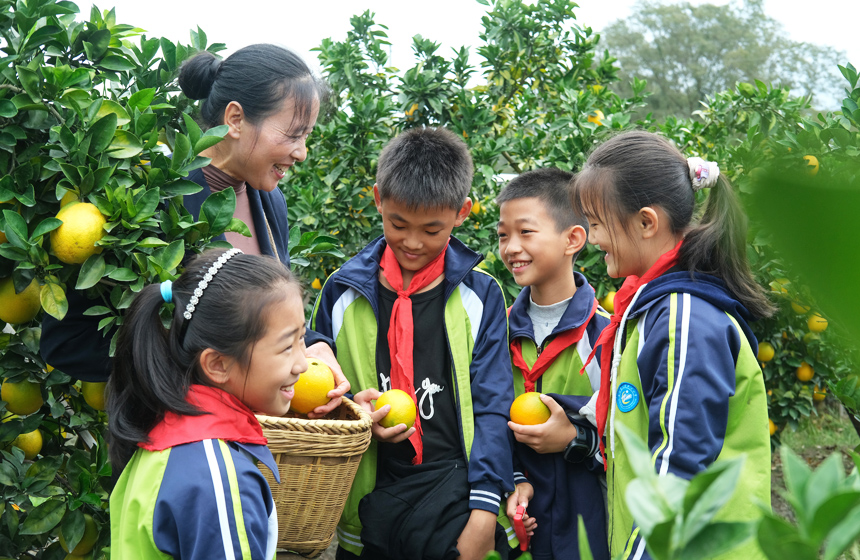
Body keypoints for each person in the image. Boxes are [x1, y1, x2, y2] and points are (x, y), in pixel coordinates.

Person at [40, 44, 347, 416]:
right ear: (235, 119)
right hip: (179, 441)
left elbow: (258, 320)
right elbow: (66, 341)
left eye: (306, 136)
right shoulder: (152, 197)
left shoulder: (270, 204)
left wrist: (309, 346)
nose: (302, 152)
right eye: (293, 134)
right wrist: (195, 378)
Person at [310, 127, 516, 560]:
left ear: (462, 212)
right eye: (398, 224)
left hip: (454, 498)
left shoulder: (480, 297)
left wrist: (484, 512)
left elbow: (493, 403)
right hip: (367, 501)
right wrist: (353, 412)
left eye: (432, 229)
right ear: (377, 199)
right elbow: (313, 386)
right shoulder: (341, 292)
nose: (413, 242)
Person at [571, 131, 773, 560]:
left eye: (596, 222)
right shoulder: (652, 308)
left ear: (647, 222)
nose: (592, 238)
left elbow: (680, 465)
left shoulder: (684, 317)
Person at [108, 249, 308, 558]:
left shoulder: (165, 433)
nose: (303, 364)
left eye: (302, 339)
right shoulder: (219, 484)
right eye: (286, 347)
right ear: (217, 364)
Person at [496, 168, 610, 560]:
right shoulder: (497, 331)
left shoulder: (604, 336)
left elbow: (627, 435)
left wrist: (575, 439)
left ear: (572, 239)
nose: (511, 247)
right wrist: (511, 483)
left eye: (525, 232)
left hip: (585, 529)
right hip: (513, 525)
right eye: (502, 234)